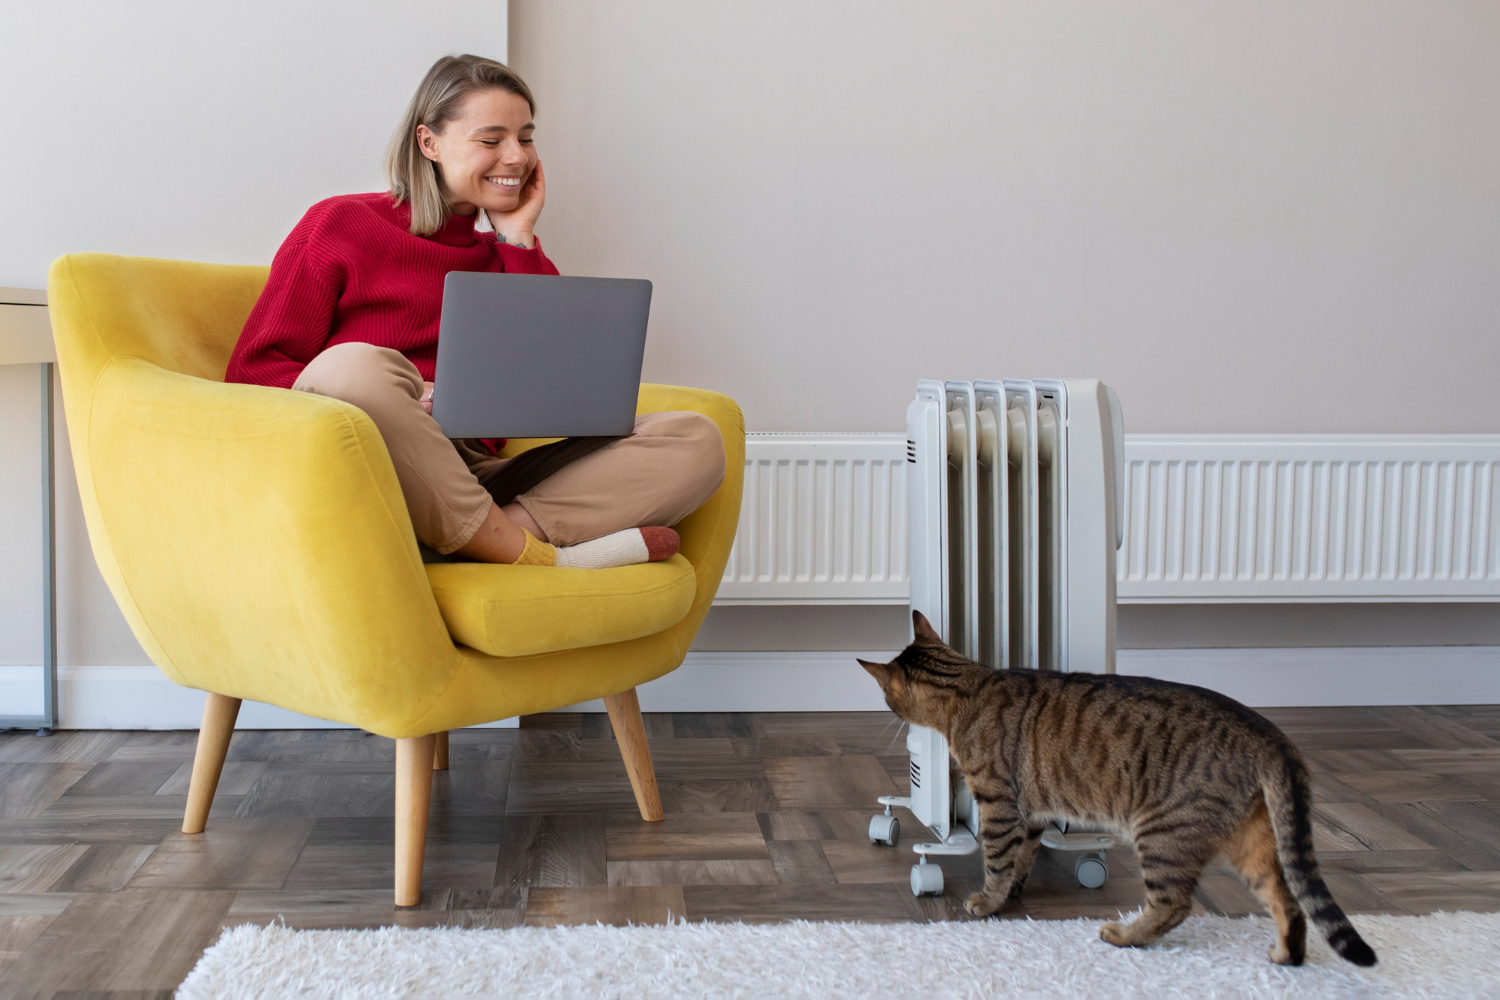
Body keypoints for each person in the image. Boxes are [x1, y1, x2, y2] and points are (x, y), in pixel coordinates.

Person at [226, 55, 725, 568]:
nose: (516, 157)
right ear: (429, 143)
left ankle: (483, 541)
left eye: (525, 138)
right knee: (352, 364)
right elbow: (253, 371)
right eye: (491, 140)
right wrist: (397, 395)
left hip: (467, 474)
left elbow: (555, 388)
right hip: (369, 461)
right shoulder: (339, 224)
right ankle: (531, 557)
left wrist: (518, 236)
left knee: (696, 438)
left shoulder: (505, 257)